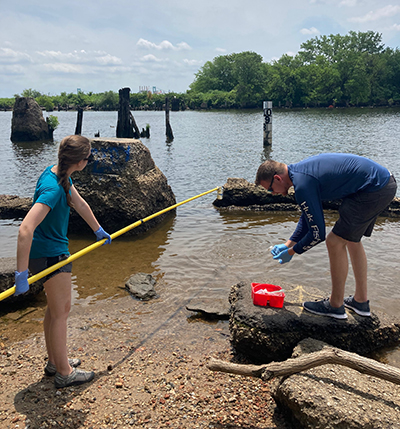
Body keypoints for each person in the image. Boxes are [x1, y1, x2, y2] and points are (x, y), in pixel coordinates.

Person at [14, 135, 112, 388]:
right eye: (88, 158)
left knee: (54, 310)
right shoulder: (54, 188)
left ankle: (55, 362)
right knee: (62, 313)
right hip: (51, 256)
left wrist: (98, 230)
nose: (88, 161)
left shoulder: (56, 173)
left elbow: (78, 203)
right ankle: (64, 373)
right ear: (79, 161)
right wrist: (21, 274)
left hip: (45, 253)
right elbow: (25, 228)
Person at [255, 153, 397, 320]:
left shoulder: (303, 184)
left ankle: (335, 306)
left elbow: (317, 234)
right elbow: (308, 216)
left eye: (270, 188)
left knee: (334, 241)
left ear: (278, 178)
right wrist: (288, 244)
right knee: (351, 240)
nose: (272, 193)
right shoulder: (300, 174)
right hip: (381, 183)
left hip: (372, 188)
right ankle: (360, 302)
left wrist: (292, 252)